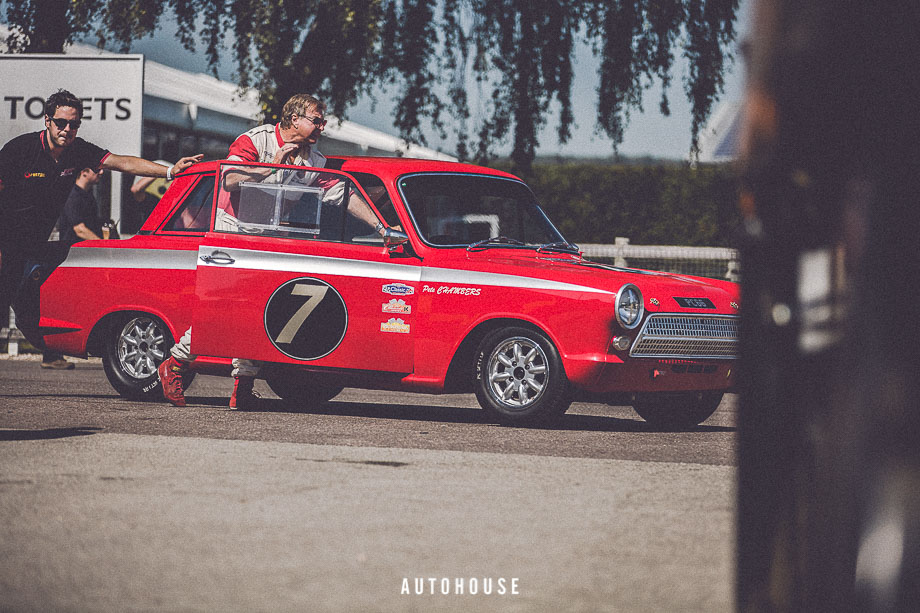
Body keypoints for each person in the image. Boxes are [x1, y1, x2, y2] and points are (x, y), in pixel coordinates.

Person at [157, 93, 387, 410]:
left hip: (273, 238)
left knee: (261, 312)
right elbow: (230, 179)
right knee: (223, 311)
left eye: (323, 121)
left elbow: (341, 196)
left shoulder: (315, 160)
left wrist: (382, 228)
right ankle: (176, 364)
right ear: (294, 119)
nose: (322, 126)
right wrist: (270, 166)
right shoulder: (256, 140)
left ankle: (242, 385)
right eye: (316, 120)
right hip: (233, 231)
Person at [0, 89, 202, 362]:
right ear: (47, 120)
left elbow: (122, 162)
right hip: (6, 243)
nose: (67, 130)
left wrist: (169, 171)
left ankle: (53, 347)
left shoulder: (78, 150)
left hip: (36, 246)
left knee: (36, 314)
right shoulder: (20, 150)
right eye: (61, 123)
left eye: (74, 124)